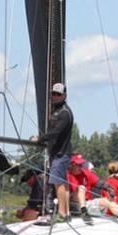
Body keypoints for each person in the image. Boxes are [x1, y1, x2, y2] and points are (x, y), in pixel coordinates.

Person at [31, 83, 74, 220]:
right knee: (63, 183)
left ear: (64, 96)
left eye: (58, 94)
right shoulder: (57, 111)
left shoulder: (64, 113)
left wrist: (39, 138)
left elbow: (56, 132)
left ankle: (62, 213)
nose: (55, 96)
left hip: (60, 153)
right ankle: (67, 213)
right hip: (58, 153)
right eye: (53, 94)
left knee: (58, 182)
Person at [67, 154, 118, 224]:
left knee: (106, 201)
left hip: (87, 203)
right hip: (73, 205)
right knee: (81, 188)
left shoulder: (86, 173)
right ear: (72, 165)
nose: (81, 167)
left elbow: (99, 183)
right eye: (79, 165)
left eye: (82, 164)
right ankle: (84, 212)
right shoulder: (66, 175)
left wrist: (109, 188)